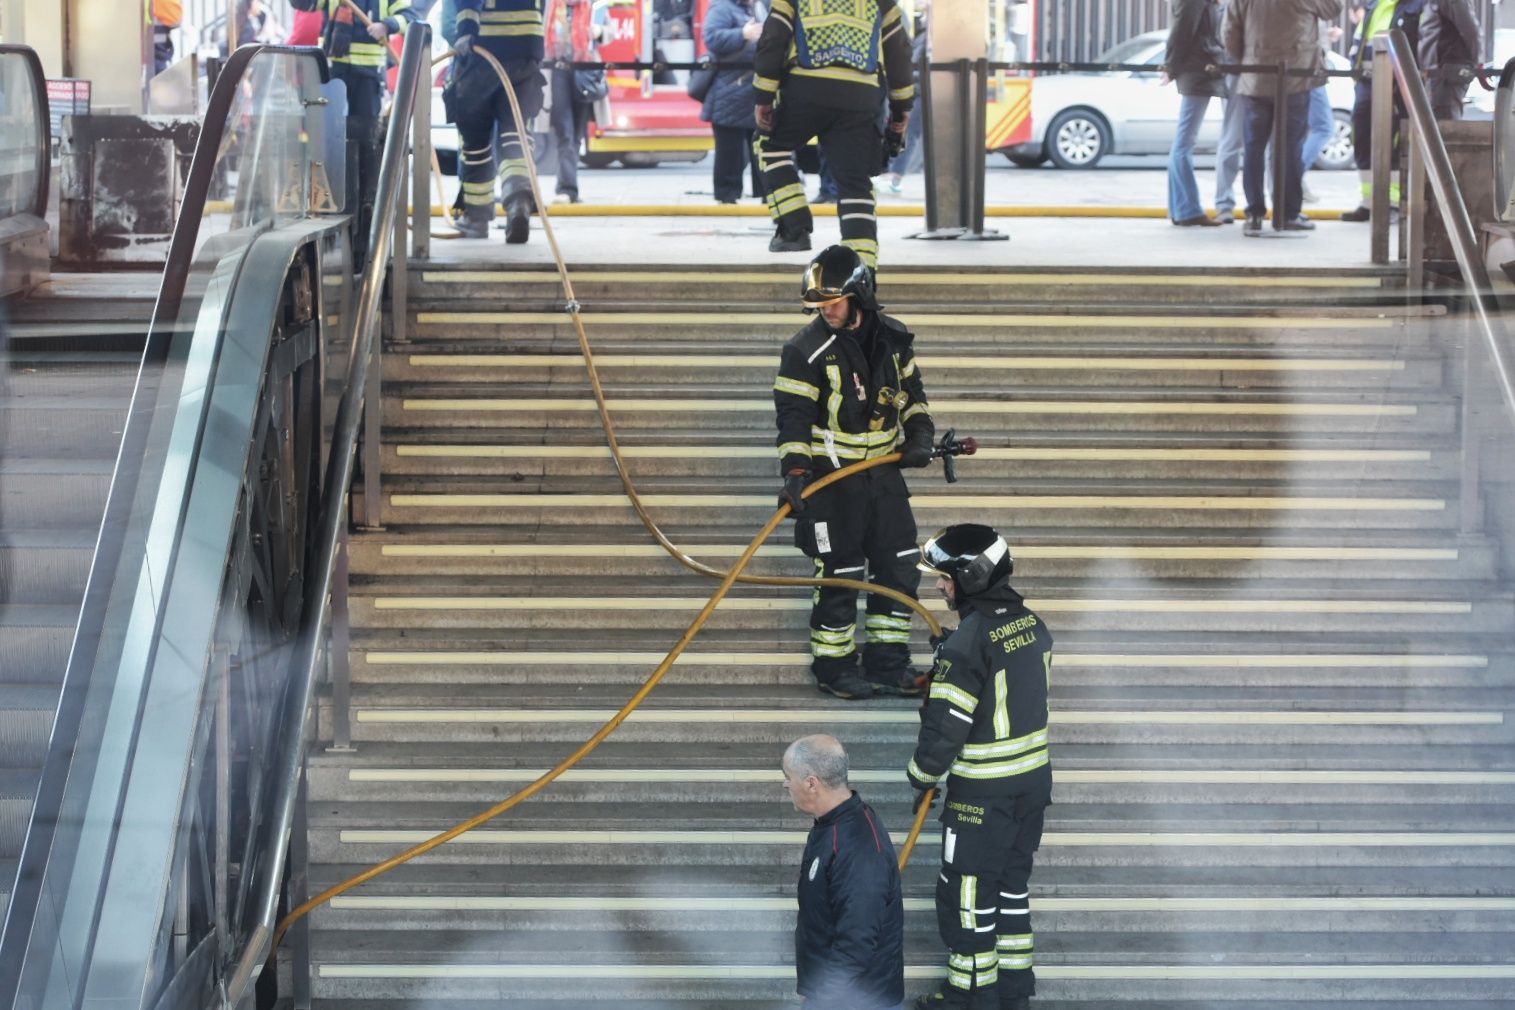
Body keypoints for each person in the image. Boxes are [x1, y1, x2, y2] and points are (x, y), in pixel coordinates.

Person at [773, 246, 934, 700]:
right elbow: (793, 417)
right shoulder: (804, 350)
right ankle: (834, 667)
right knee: (839, 572)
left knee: (898, 566)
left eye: (834, 302)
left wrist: (920, 433)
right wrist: (796, 472)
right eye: (820, 305)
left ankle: (888, 663)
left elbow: (914, 393)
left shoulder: (894, 339)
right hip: (831, 483)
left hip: (883, 480)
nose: (826, 310)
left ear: (860, 294)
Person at [906, 524, 1053, 1010]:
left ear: (971, 576)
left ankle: (970, 997)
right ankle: (1013, 996)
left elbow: (946, 729)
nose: (939, 586)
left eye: (945, 578)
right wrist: (955, 650)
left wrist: (920, 776)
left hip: (982, 799)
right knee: (1011, 891)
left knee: (966, 900)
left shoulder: (970, 641)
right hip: (1030, 790)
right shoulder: (1031, 623)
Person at [753, 0, 915, 266]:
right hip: (860, 97)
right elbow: (899, 54)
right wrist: (901, 109)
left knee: (769, 144)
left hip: (805, 91)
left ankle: (794, 230)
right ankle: (860, 268)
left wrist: (764, 97)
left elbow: (772, 40)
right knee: (855, 181)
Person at [783, 734, 905, 1010]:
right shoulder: (831, 825)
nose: (785, 783)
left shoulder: (858, 848)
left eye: (788, 776)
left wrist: (821, 999)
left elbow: (856, 942)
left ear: (811, 783)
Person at [292, 0, 418, 266]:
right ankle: (329, 226)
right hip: (335, 73)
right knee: (328, 149)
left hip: (368, 76)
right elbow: (306, 4)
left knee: (367, 151)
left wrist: (387, 25)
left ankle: (366, 228)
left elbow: (408, 13)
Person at [1223, 0, 1343, 236]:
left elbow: (1229, 32)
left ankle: (1255, 214)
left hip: (1255, 78)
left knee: (1253, 149)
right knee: (1290, 149)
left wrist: (1248, 59)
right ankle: (1288, 214)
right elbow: (1334, 8)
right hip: (1295, 78)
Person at [451, 0, 548, 243]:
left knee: (475, 138)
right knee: (515, 135)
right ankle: (519, 205)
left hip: (485, 47)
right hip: (527, 47)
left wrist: (465, 29)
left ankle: (477, 216)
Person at [1342, 0, 1425, 222]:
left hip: (1399, 83)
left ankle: (1395, 203)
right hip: (1367, 81)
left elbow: (1420, 44)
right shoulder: (1374, 4)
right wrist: (1355, 72)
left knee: (1395, 143)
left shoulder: (1418, 5)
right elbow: (1360, 39)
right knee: (1361, 136)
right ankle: (1369, 202)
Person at [1166, 0, 1227, 227]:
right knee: (1184, 142)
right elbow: (1182, 31)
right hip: (1197, 70)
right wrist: (1170, 66)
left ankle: (1181, 209)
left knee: (1183, 141)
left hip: (1198, 69)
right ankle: (1187, 209)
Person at [702, 0, 766, 205]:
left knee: (762, 148)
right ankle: (727, 197)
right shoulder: (722, 7)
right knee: (729, 150)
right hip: (729, 92)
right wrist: (742, 34)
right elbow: (711, 38)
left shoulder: (759, 7)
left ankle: (767, 194)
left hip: (755, 89)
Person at [547, 0, 607, 204]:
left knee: (577, 134)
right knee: (565, 130)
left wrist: (599, 31)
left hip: (585, 71)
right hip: (558, 70)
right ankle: (566, 188)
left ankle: (569, 188)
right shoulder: (551, 6)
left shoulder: (593, 7)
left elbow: (610, 32)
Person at [1420, 0, 1481, 120]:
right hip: (1436, 73)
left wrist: (1477, 61)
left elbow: (1470, 31)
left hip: (1445, 72)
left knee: (1445, 123)